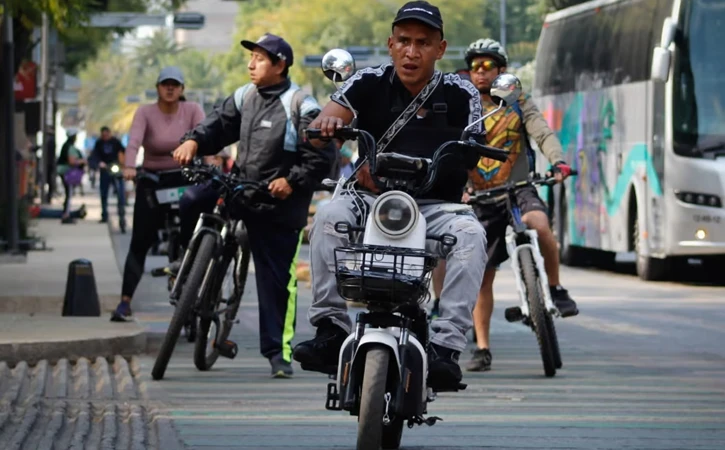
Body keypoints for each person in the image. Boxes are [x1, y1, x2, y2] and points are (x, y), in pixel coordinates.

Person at [292, 1, 489, 392]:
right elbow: (320, 124)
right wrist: (327, 124)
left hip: (435, 208)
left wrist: (465, 151)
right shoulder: (366, 82)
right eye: (403, 41)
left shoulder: (460, 91)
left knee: (472, 235)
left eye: (422, 43)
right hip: (370, 202)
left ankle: (446, 349)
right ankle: (331, 329)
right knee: (328, 218)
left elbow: (473, 148)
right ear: (390, 44)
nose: (411, 52)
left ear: (440, 48)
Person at [172, 33, 335, 378]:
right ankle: (186, 268)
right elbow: (217, 124)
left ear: (280, 65)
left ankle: (278, 353)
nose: (251, 64)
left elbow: (322, 154)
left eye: (260, 59)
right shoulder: (244, 96)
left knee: (276, 281)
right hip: (239, 189)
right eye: (251, 58)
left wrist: (291, 181)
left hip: (278, 203)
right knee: (190, 200)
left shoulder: (301, 105)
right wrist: (192, 141)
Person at [458, 38, 579, 372]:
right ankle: (482, 348)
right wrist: (457, 186)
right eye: (475, 67)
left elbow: (542, 133)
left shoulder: (518, 101)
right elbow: (451, 148)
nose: (480, 73)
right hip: (481, 197)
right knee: (482, 275)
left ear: (502, 71)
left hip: (520, 189)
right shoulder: (462, 105)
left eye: (488, 66)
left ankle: (555, 290)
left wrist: (558, 162)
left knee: (540, 226)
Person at [110, 66, 206, 322]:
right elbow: (134, 142)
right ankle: (125, 301)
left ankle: (194, 284)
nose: (170, 88)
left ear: (182, 89)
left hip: (186, 178)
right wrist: (130, 166)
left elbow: (206, 136)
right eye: (166, 84)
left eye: (176, 84)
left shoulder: (193, 110)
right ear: (158, 88)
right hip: (153, 180)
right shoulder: (145, 112)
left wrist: (213, 160)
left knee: (197, 235)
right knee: (140, 240)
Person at [91, 126, 127, 230]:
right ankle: (104, 214)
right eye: (103, 135)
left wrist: (123, 163)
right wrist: (99, 163)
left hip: (116, 169)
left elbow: (123, 151)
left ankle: (121, 215)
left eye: (107, 134)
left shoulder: (115, 142)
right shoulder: (99, 143)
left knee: (120, 194)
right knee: (104, 193)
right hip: (105, 170)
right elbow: (95, 155)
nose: (105, 137)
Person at [56, 130, 86, 224]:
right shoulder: (69, 147)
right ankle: (66, 215)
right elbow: (72, 161)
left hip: (64, 172)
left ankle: (66, 213)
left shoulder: (67, 146)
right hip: (67, 172)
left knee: (68, 193)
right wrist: (82, 161)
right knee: (68, 193)